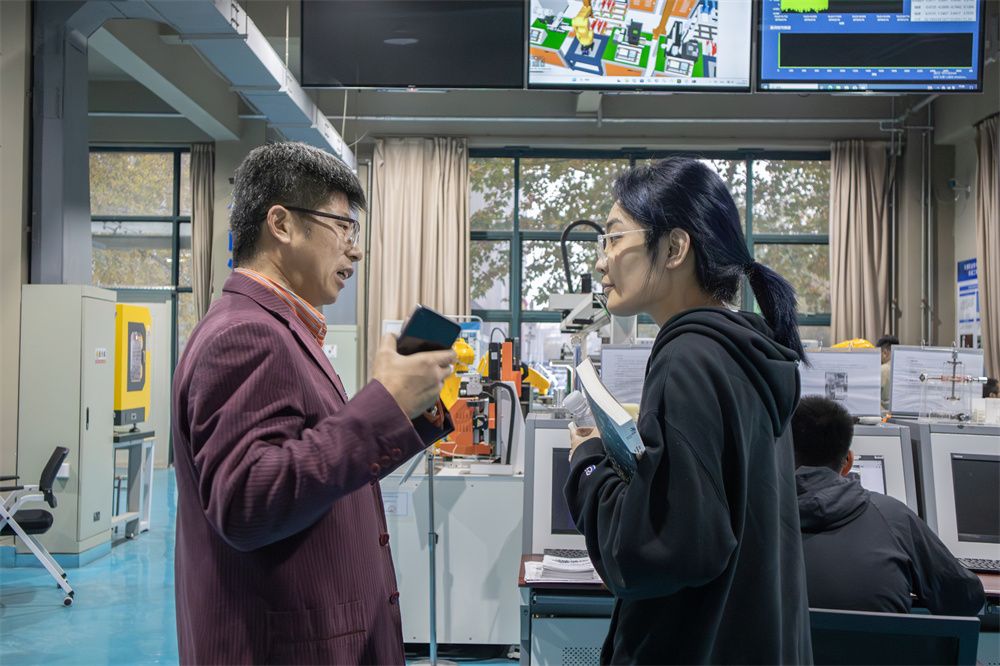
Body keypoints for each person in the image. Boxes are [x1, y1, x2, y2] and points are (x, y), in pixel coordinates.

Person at [171, 142, 457, 664]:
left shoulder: (279, 328)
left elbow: (313, 461)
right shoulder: (246, 335)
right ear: (282, 224)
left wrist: (405, 408)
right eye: (343, 227)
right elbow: (246, 501)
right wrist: (383, 404)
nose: (355, 250)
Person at [564, 158, 812, 664]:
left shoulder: (688, 357)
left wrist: (588, 465)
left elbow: (655, 551)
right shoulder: (744, 351)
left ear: (675, 248)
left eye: (614, 238)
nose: (601, 262)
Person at [791, 396, 985, 615]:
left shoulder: (760, 523)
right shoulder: (895, 517)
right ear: (848, 461)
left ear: (780, 455)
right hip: (875, 639)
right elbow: (966, 599)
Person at [876, 334, 899, 411]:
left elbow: (872, 400)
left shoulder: (882, 369)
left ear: (885, 353)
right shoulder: (903, 370)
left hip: (885, 416)